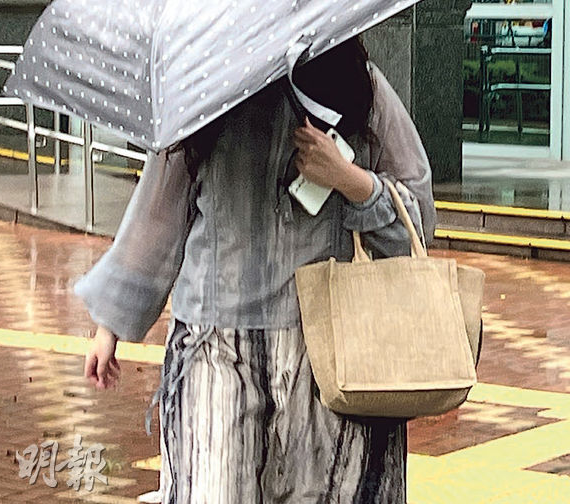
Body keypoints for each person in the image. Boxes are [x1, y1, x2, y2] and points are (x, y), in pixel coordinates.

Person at [76, 36, 435, 503]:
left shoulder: (357, 85)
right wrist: (110, 325)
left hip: (329, 354)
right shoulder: (207, 87)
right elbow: (158, 213)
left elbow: (417, 220)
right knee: (214, 489)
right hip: (215, 347)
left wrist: (349, 180)